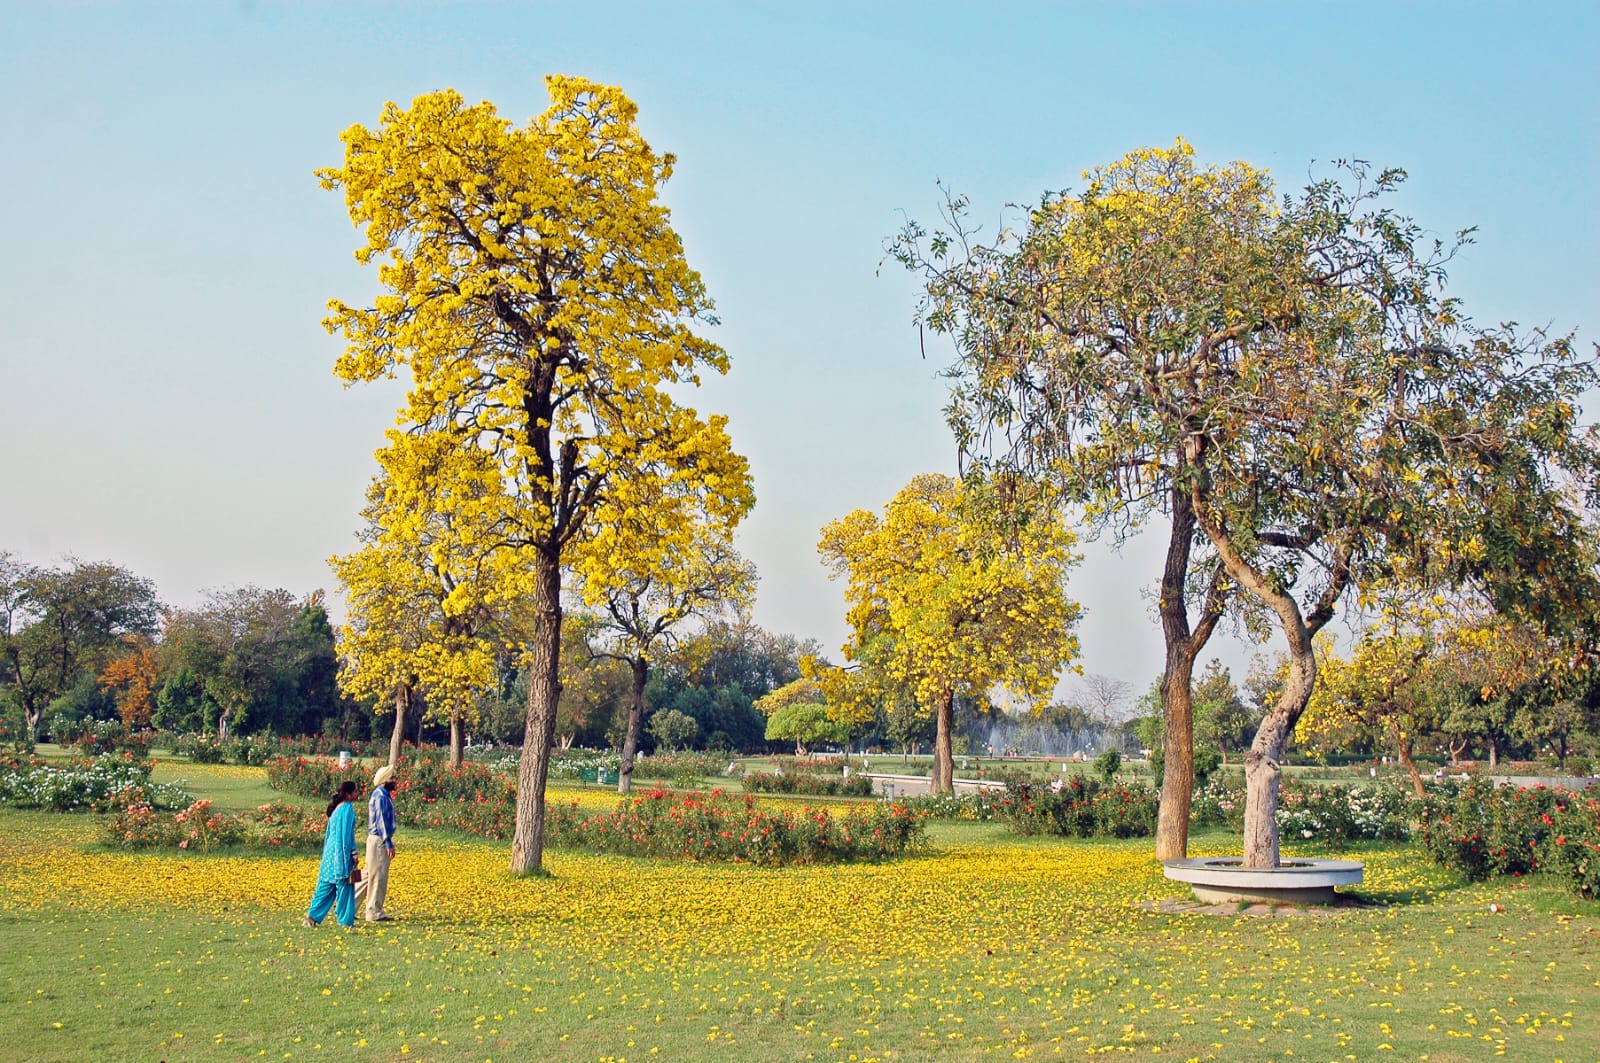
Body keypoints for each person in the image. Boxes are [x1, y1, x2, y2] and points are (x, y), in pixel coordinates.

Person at [303, 780, 361, 929]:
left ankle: (312, 916)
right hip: (340, 853)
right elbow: (346, 836)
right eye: (355, 791)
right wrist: (352, 854)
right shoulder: (347, 809)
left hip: (330, 853)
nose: (357, 794)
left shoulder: (336, 809)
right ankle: (345, 921)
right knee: (345, 887)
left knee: (326, 887)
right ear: (348, 794)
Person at [363, 764, 399, 922]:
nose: (395, 780)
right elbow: (382, 822)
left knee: (367, 875)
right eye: (392, 778)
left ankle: (348, 905)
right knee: (378, 876)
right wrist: (388, 843)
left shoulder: (381, 794)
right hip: (379, 840)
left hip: (375, 840)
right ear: (385, 780)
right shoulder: (381, 796)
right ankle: (374, 912)